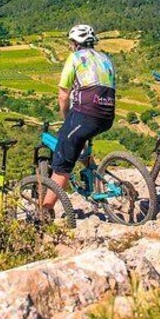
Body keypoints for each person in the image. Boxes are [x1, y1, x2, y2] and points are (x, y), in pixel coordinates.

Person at [44, 25, 116, 213]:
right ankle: (94, 177)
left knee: (62, 161)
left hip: (86, 113)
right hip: (107, 115)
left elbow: (63, 95)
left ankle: (45, 210)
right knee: (80, 139)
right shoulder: (106, 59)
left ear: (75, 44)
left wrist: (66, 117)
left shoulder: (75, 58)